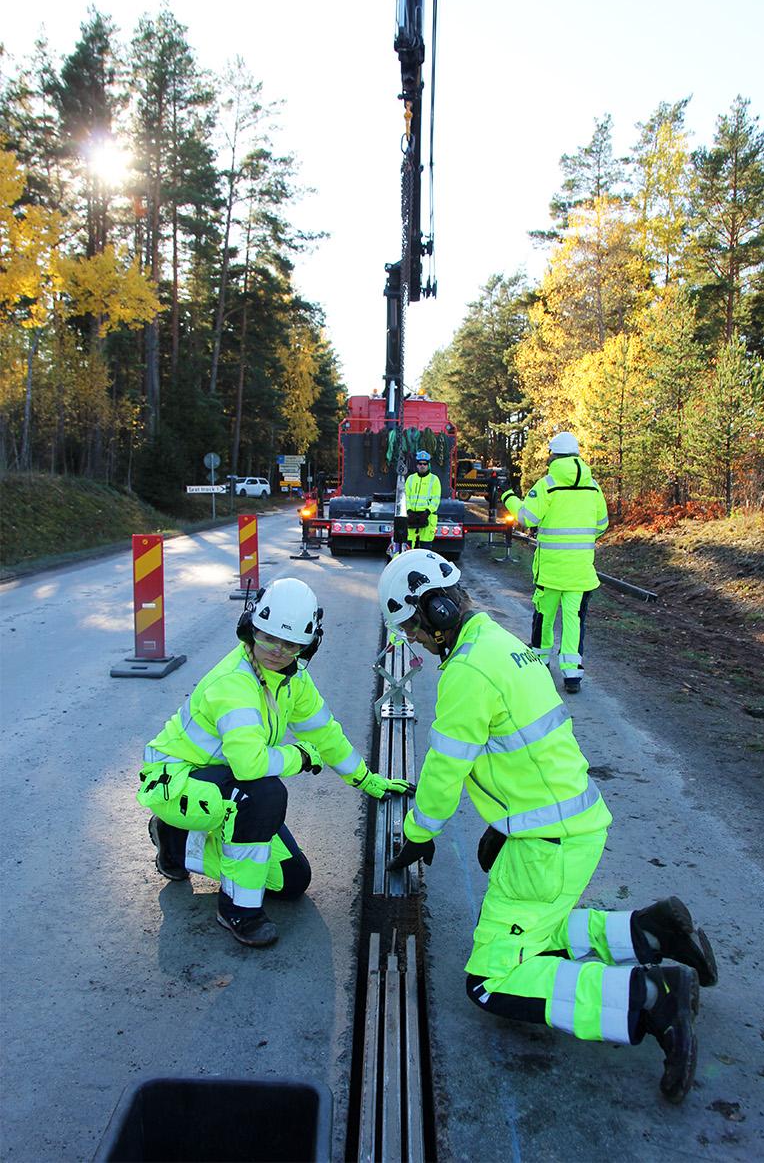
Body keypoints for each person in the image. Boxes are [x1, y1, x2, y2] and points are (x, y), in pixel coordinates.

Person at [376, 549, 717, 1102]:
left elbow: (442, 775)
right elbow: (524, 753)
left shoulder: (466, 672)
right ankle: (655, 930)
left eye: (414, 629)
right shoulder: (504, 645)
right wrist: (504, 822)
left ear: (436, 613)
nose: (415, 640)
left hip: (548, 844)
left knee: (492, 981)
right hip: (567, 826)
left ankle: (651, 997)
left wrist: (417, 835)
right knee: (542, 928)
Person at [137, 578, 413, 947]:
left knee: (291, 881)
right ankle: (238, 909)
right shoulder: (234, 684)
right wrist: (298, 757)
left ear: (308, 644)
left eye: (290, 644)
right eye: (267, 637)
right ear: (250, 628)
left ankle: (177, 842)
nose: (277, 650)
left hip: (219, 784)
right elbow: (250, 766)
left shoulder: (292, 679)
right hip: (175, 783)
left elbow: (325, 734)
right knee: (263, 794)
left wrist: (366, 780)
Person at [503, 431, 609, 693]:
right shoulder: (593, 487)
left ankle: (540, 664)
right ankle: (572, 675)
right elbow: (602, 525)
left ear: (553, 455)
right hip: (581, 572)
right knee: (574, 622)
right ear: (577, 455)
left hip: (550, 571)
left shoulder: (547, 485)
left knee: (544, 617)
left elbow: (526, 518)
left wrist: (508, 497)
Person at [396, 449, 441, 555]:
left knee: (425, 549)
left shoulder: (434, 480)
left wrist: (427, 512)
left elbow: (435, 499)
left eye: (425, 464)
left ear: (428, 465)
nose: (422, 466)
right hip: (411, 516)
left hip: (427, 517)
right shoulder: (411, 479)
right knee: (407, 546)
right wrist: (409, 511)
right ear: (417, 465)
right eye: (420, 464)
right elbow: (406, 497)